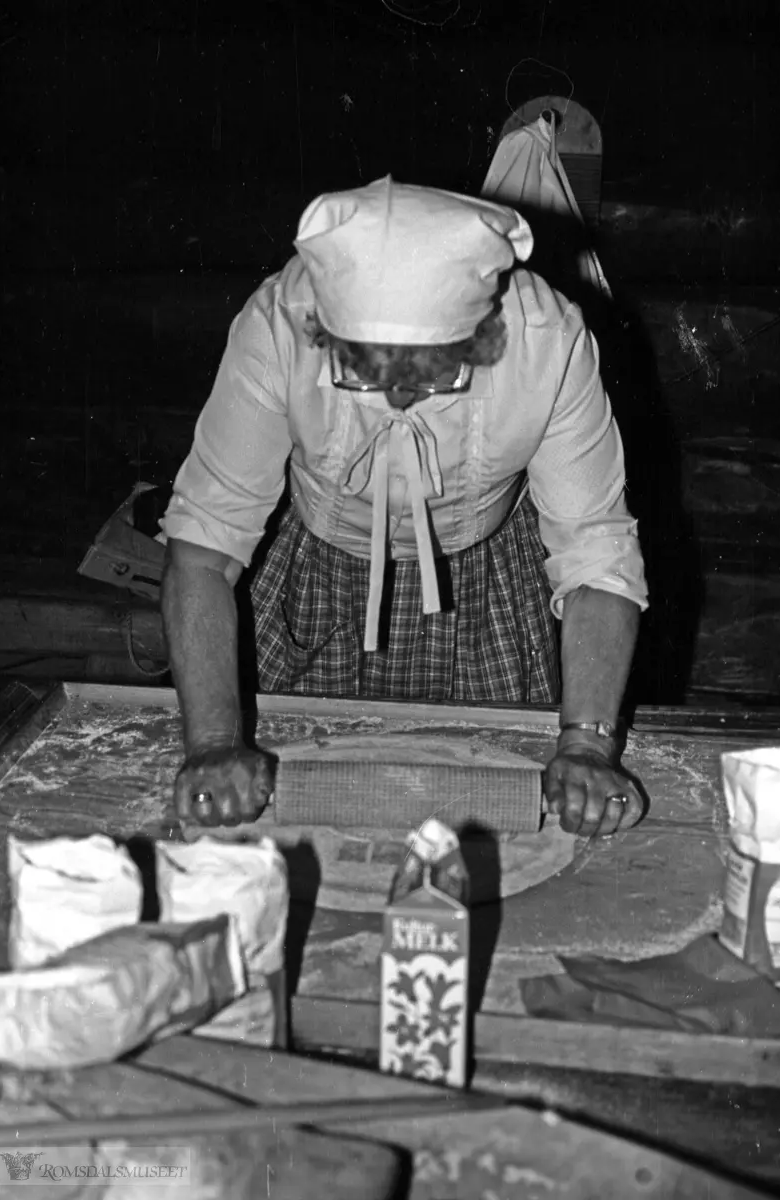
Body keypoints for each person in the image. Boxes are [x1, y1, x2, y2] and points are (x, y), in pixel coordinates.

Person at [159, 177, 649, 839]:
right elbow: (205, 547)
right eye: (365, 371)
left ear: (479, 335)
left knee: (486, 814)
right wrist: (215, 740)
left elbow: (594, 551)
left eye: (427, 373)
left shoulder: (546, 341)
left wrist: (587, 745)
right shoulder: (280, 323)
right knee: (288, 814)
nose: (395, 399)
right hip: (315, 574)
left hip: (484, 582)